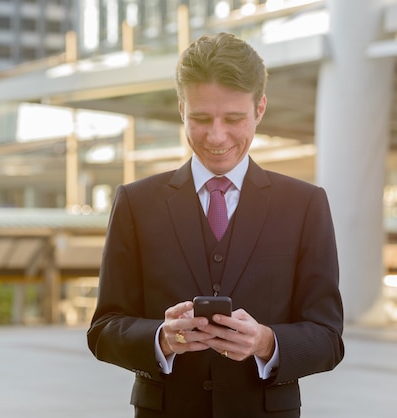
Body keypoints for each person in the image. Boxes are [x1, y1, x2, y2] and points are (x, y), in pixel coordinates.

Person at [86, 32, 344, 418]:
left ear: (259, 109)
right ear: (181, 109)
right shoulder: (135, 203)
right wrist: (162, 339)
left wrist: (266, 343)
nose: (217, 136)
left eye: (234, 119)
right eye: (201, 119)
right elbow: (103, 330)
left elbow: (328, 338)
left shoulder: (305, 205)